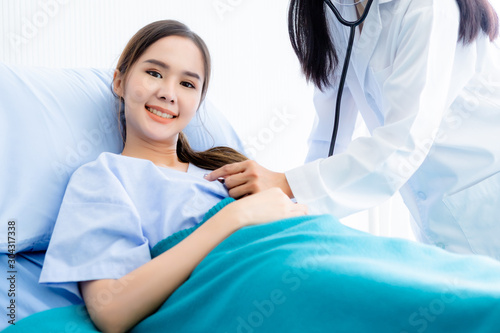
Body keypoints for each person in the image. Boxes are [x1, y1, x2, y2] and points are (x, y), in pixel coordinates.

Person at [38, 20, 307, 333]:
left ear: (198, 103)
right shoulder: (104, 178)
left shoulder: (231, 167)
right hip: (272, 290)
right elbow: (110, 310)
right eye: (154, 73)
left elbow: (302, 221)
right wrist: (236, 216)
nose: (168, 93)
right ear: (119, 82)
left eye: (187, 84)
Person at [205, 0, 500, 260]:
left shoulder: (429, 7)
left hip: (484, 198)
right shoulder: (338, 9)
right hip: (435, 213)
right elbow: (330, 133)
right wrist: (293, 207)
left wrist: (286, 184)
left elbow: (403, 142)